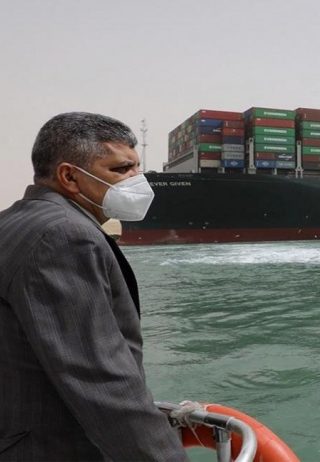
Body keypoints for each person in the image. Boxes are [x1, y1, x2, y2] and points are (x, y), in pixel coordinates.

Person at [0, 112, 188, 461]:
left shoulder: (12, 222)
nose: (138, 180)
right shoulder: (64, 236)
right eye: (121, 169)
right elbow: (101, 380)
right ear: (69, 176)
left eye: (137, 167)